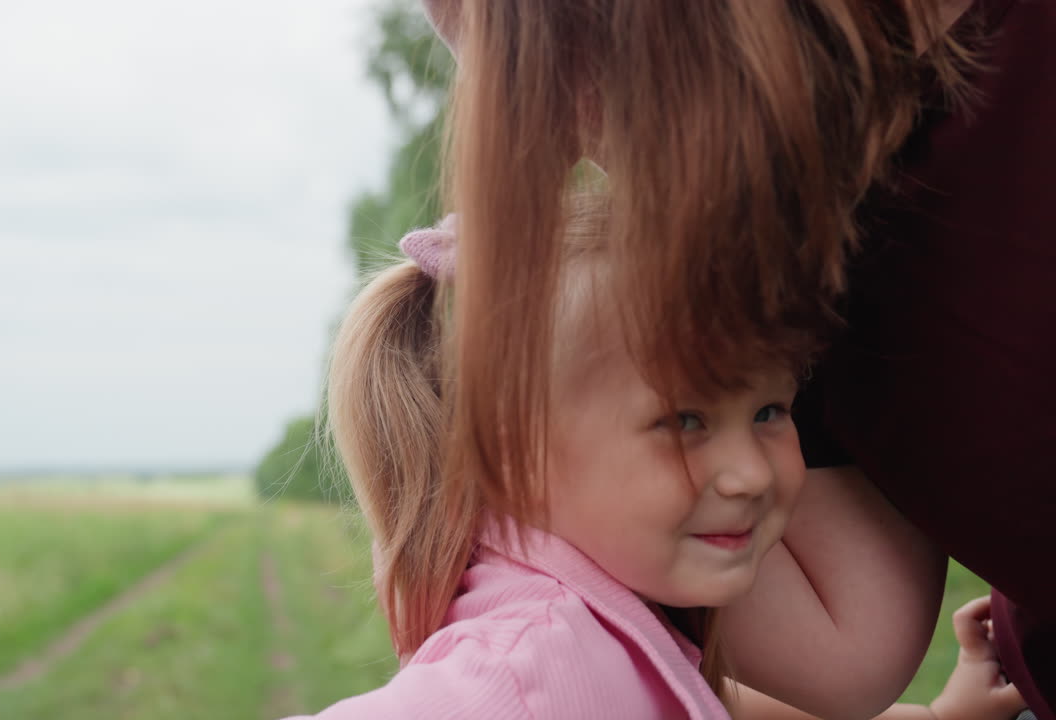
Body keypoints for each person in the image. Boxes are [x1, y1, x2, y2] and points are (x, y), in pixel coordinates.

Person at [419, 1, 1055, 717]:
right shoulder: (763, 253)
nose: (581, 146)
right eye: (687, 419)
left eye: (565, 80)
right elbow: (848, 651)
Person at [284, 212, 1025, 719]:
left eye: (771, 411)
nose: (749, 474)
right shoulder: (529, 661)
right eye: (685, 423)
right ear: (512, 449)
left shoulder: (611, 622)